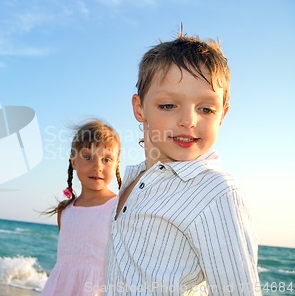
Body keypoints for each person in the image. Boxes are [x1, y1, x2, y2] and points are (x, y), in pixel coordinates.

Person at [104, 31, 261, 295]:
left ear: (222, 113)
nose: (189, 120)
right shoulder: (133, 179)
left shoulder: (216, 192)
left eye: (206, 109)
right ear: (139, 108)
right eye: (168, 105)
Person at [42, 120, 123, 296]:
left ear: (116, 164)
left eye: (106, 159)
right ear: (74, 162)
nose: (97, 166)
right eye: (88, 157)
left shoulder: (118, 209)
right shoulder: (65, 210)